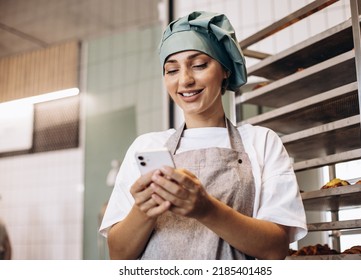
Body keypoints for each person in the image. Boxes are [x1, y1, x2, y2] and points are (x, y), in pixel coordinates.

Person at [99, 11, 307, 260]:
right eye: (171, 70)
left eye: (198, 65)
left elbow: (276, 249)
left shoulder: (261, 142)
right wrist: (144, 211)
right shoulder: (146, 146)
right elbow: (118, 256)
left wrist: (206, 209)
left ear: (225, 70)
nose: (185, 80)